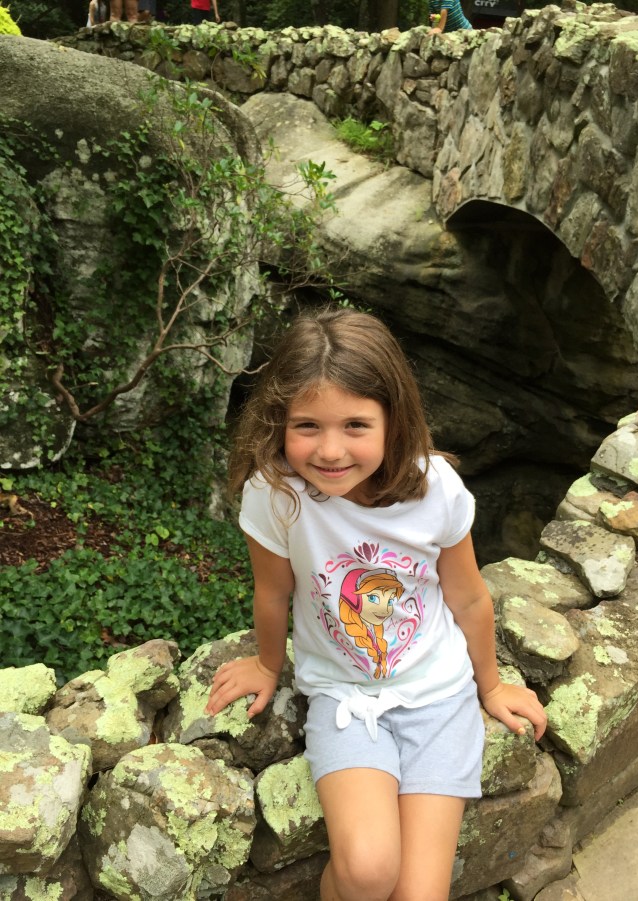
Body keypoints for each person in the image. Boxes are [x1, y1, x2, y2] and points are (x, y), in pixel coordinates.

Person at [206, 308, 547, 901]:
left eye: (356, 425)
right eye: (307, 425)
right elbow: (274, 590)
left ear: (394, 418)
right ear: (279, 420)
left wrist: (491, 687)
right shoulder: (276, 491)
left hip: (439, 697)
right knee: (367, 871)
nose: (330, 449)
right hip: (345, 697)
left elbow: (467, 596)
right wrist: (266, 664)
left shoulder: (435, 488)